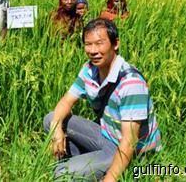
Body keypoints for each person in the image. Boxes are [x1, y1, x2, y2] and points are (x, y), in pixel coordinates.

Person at [43, 18, 161, 181]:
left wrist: (110, 179)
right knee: (51, 119)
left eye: (99, 43)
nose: (93, 50)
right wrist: (57, 132)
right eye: (88, 44)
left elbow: (129, 141)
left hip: (129, 150)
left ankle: (105, 168)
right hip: (105, 134)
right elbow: (66, 101)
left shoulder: (131, 83)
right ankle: (89, 163)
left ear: (115, 44)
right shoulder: (90, 70)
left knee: (61, 173)